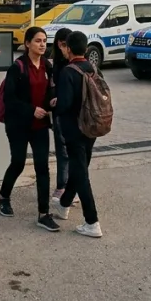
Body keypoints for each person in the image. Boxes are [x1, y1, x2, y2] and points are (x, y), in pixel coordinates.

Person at [0, 27, 59, 232]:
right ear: (27, 44)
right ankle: (4, 196)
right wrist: (32, 110)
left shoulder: (47, 65)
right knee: (18, 163)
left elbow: (50, 89)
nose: (42, 44)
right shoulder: (18, 67)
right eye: (38, 41)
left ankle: (43, 214)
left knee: (43, 167)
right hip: (18, 124)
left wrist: (52, 100)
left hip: (40, 125)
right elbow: (10, 99)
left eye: (45, 41)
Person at [49, 30, 103, 238]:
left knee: (80, 171)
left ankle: (92, 221)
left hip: (74, 128)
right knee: (79, 165)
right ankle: (63, 205)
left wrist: (55, 104)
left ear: (68, 49)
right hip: (92, 125)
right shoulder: (92, 68)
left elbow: (65, 104)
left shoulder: (68, 72)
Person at [50, 27, 73, 204]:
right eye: (59, 44)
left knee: (73, 153)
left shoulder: (77, 64)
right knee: (62, 151)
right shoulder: (55, 64)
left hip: (74, 113)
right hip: (59, 113)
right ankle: (61, 186)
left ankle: (71, 188)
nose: (62, 48)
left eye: (65, 45)